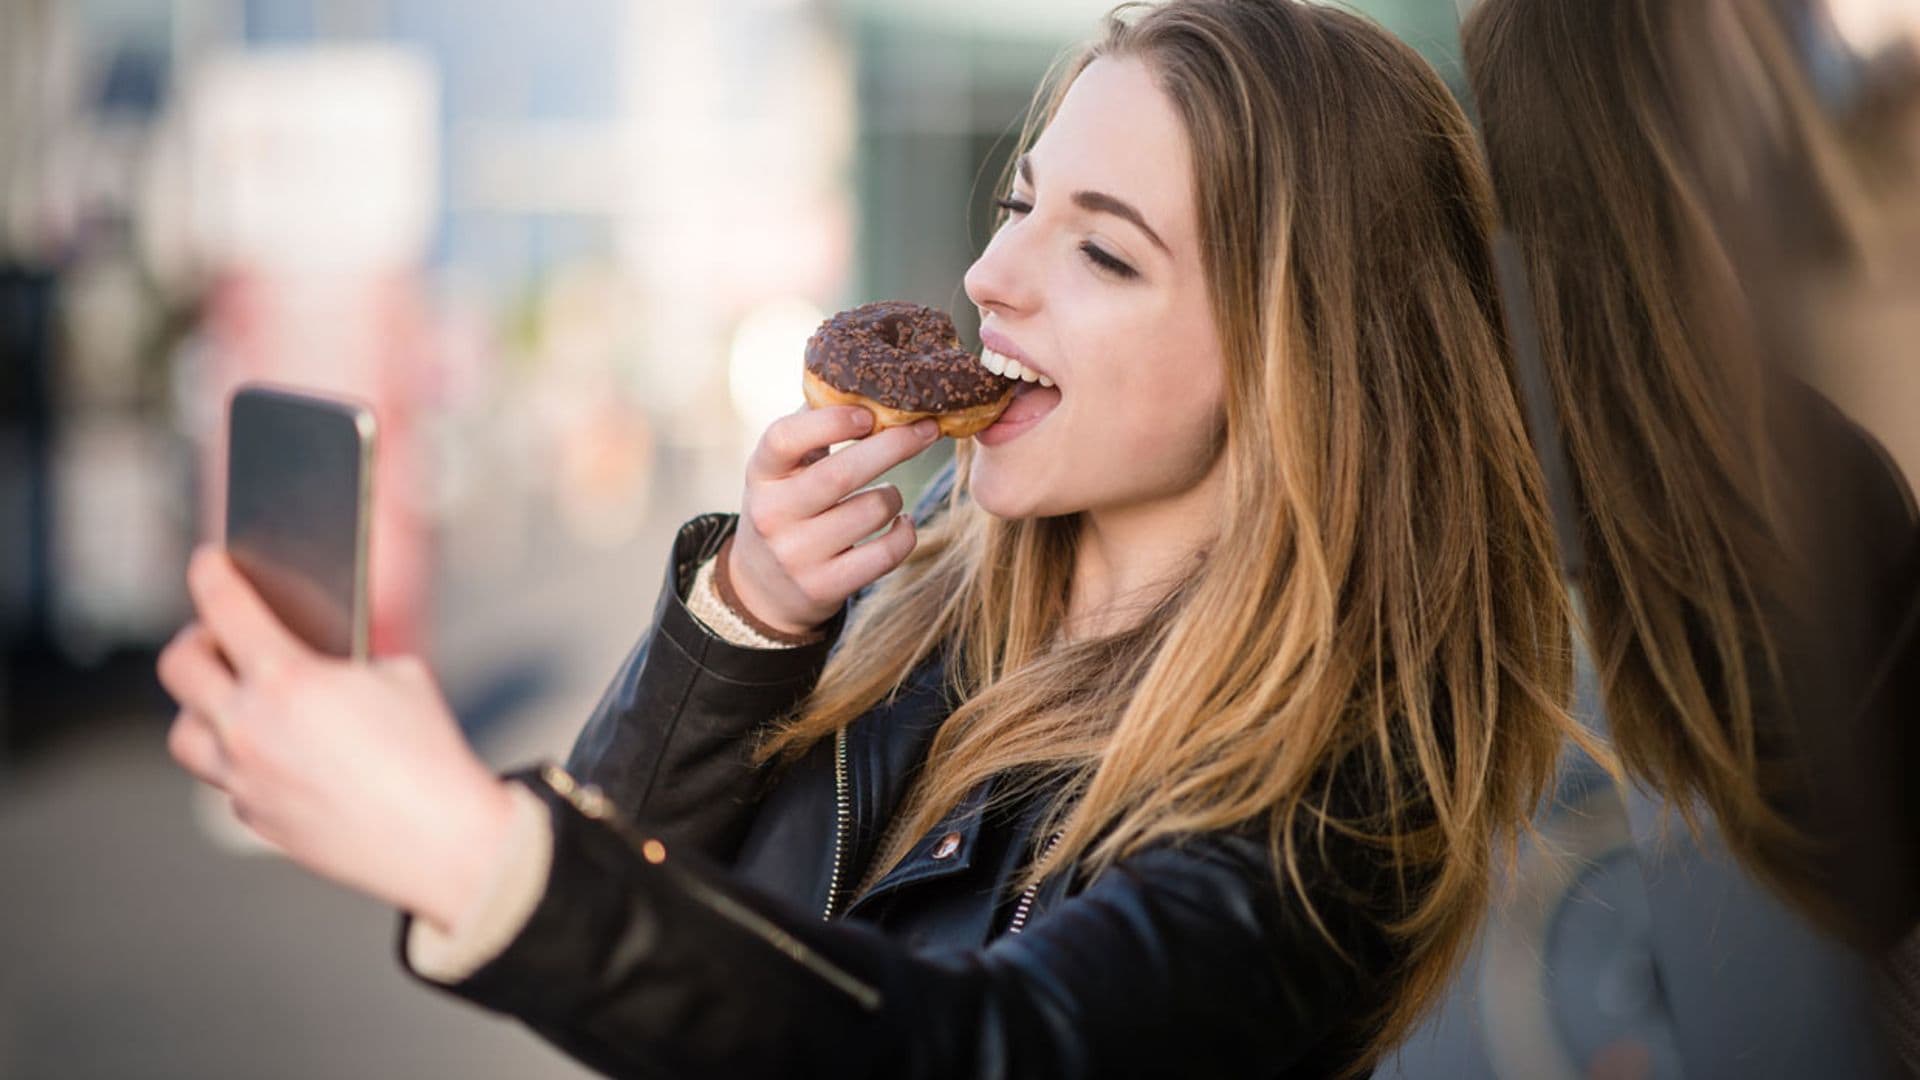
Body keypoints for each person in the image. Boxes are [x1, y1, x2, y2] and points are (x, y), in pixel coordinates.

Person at [156, 1, 1579, 1075]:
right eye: (1021, 201)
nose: (987, 274)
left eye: (1101, 249)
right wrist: (746, 620)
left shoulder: (1344, 797)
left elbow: (985, 1044)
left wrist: (481, 855)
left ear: (1298, 355)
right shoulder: (920, 615)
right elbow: (638, 893)